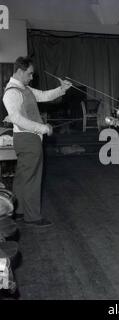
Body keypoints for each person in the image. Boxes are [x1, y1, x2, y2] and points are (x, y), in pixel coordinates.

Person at [2, 56, 72, 227]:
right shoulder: (12, 92)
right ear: (19, 71)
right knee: (32, 178)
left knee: (22, 177)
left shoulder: (24, 88)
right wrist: (43, 128)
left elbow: (44, 95)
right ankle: (32, 217)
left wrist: (62, 89)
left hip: (29, 139)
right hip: (27, 139)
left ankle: (18, 211)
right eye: (30, 74)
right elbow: (17, 119)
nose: (32, 77)